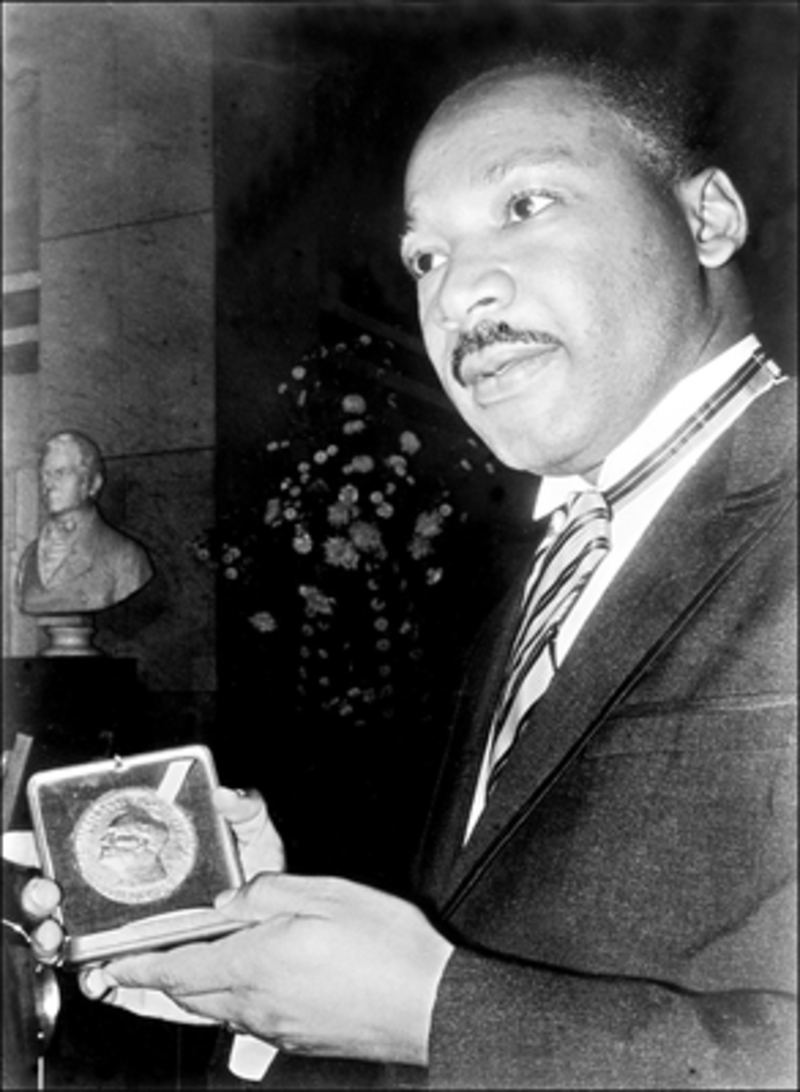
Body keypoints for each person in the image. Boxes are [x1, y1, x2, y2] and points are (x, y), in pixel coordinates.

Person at [17, 53, 796, 1088]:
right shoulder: (543, 578)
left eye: (525, 204)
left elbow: (453, 1011)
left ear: (706, 219)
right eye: (424, 258)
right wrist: (267, 971)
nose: (458, 292)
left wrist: (432, 1010)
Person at [16, 430, 153, 616]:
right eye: (45, 474)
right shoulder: (28, 558)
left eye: (61, 473)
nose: (49, 485)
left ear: (93, 483)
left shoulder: (126, 557)